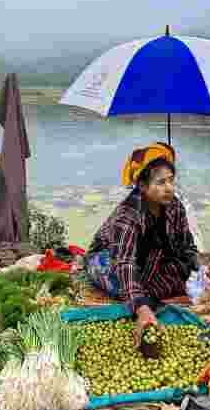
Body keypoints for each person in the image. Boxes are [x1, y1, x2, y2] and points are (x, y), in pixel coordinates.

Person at [85, 142, 199, 345]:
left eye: (171, 181)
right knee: (126, 283)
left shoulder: (175, 207)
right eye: (160, 183)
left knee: (181, 270)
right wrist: (143, 309)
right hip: (110, 259)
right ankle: (139, 299)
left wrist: (193, 265)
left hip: (147, 258)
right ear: (142, 186)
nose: (169, 188)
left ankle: (142, 292)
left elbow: (186, 243)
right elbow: (125, 263)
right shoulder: (127, 216)